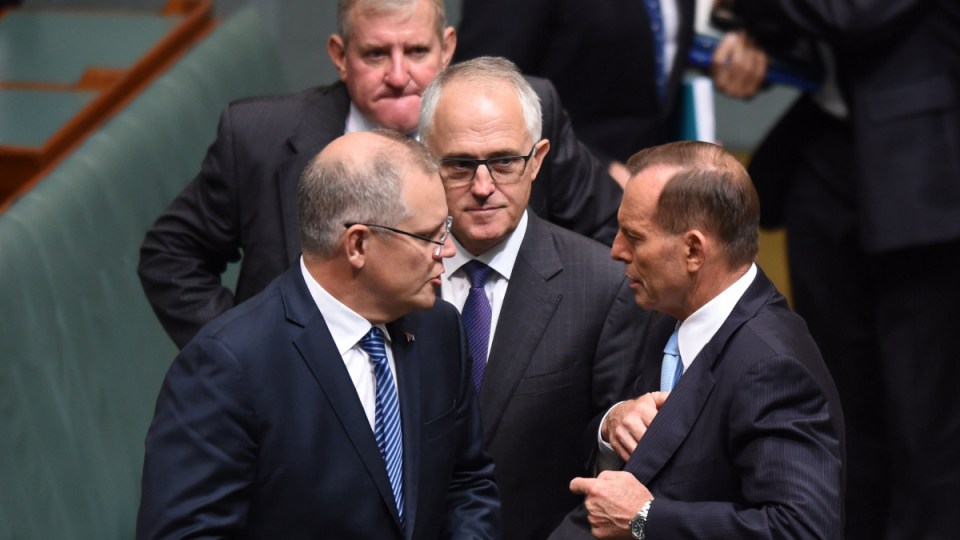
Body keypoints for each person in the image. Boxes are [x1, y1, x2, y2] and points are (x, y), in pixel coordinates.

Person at [138, 0, 623, 350]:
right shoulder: (259, 138)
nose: (398, 74)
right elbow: (171, 256)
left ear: (447, 47)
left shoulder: (518, 110)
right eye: (375, 54)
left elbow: (611, 241)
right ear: (338, 54)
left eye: (415, 51)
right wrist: (248, 354)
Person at [135, 130, 500, 539]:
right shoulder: (230, 367)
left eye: (445, 228)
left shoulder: (440, 329)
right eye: (430, 235)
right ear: (358, 245)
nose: (447, 251)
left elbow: (466, 483)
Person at [722, 1, 960, 538]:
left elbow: (852, 14)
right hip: (827, 162)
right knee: (839, 403)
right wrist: (753, 30)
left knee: (923, 418)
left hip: (921, 182)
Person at [550, 141, 845, 539]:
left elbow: (803, 530)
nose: (616, 251)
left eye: (634, 237)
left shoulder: (772, 365)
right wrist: (613, 422)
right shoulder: (662, 313)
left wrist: (645, 520)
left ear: (693, 250)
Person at [417, 56, 654, 540]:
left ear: (539, 159)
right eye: (461, 165)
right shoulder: (391, 277)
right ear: (425, 160)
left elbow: (615, 464)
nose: (483, 188)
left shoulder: (603, 287)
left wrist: (613, 425)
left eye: (504, 161)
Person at [454, 0, 766, 184]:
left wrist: (737, 45)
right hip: (555, 198)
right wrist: (598, 169)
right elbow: (482, 84)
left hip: (653, 200)